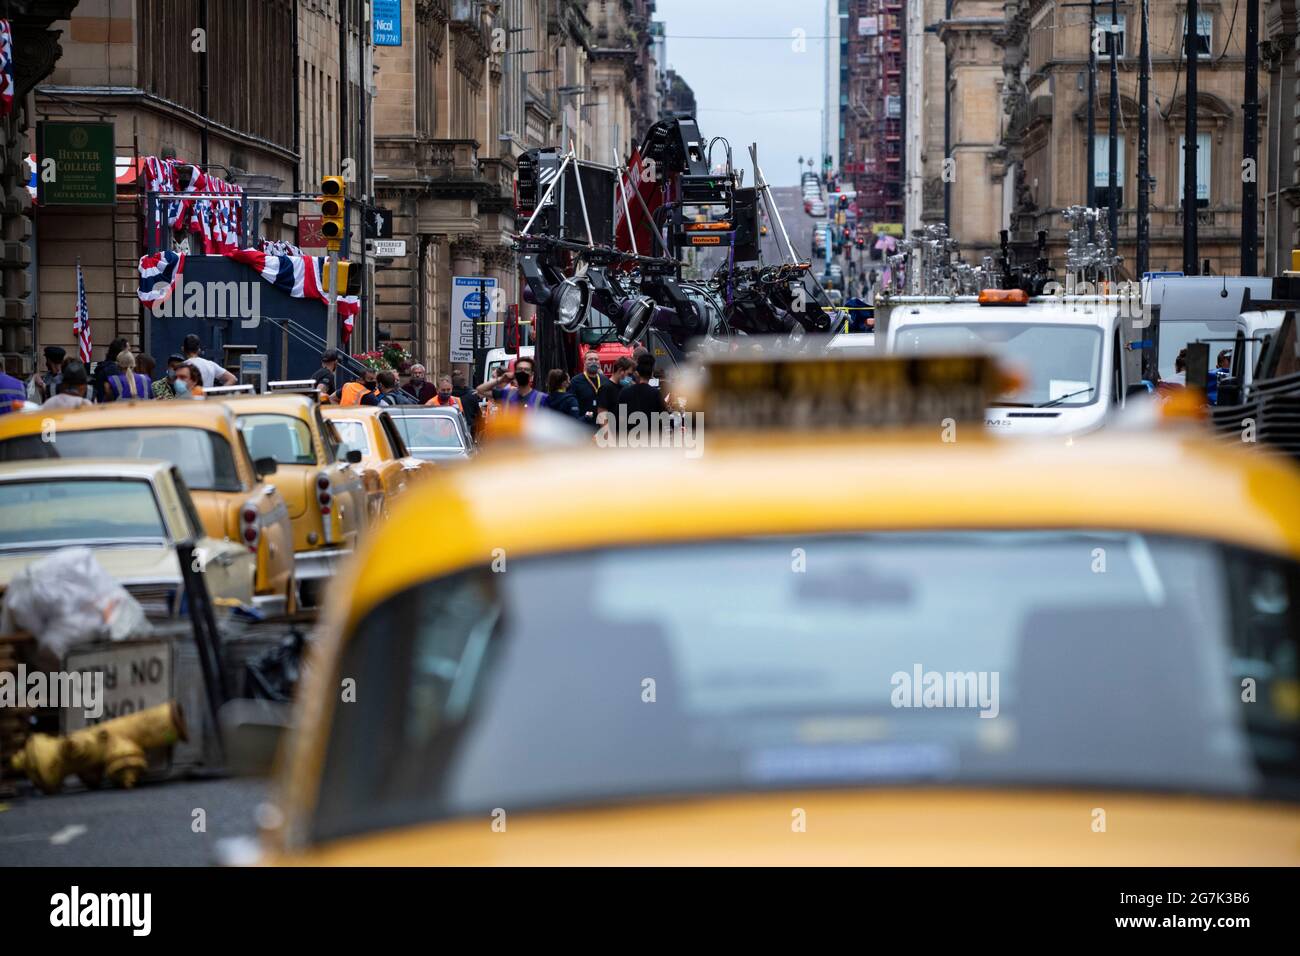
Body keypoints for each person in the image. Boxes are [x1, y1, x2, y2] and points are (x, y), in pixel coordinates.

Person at [476, 354, 544, 409]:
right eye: (519, 369)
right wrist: (500, 379)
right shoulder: (507, 394)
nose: (523, 372)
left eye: (526, 370)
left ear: (532, 374)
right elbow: (480, 389)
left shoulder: (541, 398)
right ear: (515, 373)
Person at [617, 352, 665, 427]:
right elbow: (663, 418)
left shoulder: (624, 393)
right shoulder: (656, 394)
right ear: (651, 373)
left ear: (637, 373)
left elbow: (620, 420)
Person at [569, 350, 612, 426]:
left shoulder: (605, 380)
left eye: (596, 359)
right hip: (584, 426)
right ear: (584, 362)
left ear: (599, 362)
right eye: (590, 359)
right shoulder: (575, 381)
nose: (594, 362)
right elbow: (571, 404)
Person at [92, 336, 128, 403]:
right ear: (120, 353)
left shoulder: (107, 366)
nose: (130, 354)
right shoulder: (113, 370)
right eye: (127, 351)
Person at [449, 369, 482, 435]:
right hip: (469, 425)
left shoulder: (447, 395)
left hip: (451, 426)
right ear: (463, 383)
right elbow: (478, 413)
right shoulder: (472, 394)